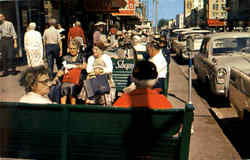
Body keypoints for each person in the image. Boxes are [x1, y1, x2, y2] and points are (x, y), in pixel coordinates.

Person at [54, 38, 87, 104]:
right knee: (64, 85)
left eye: (73, 48)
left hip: (78, 78)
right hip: (68, 77)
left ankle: (72, 106)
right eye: (70, 48)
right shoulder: (66, 57)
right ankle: (63, 107)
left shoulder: (82, 57)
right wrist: (57, 76)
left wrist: (73, 67)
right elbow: (62, 69)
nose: (72, 50)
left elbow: (84, 66)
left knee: (72, 86)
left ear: (77, 49)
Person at [85, 41, 115, 105]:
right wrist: (95, 70)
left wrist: (101, 70)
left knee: (104, 98)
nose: (94, 51)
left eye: (96, 49)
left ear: (101, 50)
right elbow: (88, 69)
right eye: (93, 49)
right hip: (93, 79)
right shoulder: (91, 58)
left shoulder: (106, 57)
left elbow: (110, 69)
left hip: (105, 80)